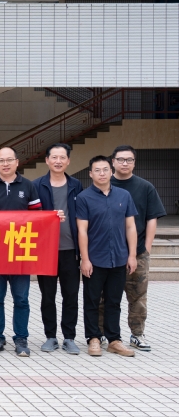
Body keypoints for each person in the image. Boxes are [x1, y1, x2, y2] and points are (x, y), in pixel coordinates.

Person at [0, 147, 49, 357]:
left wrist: (53, 218)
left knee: (21, 299)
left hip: (20, 253)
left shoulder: (28, 186)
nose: (5, 164)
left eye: (9, 160)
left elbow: (38, 217)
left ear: (17, 162)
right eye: (1, 161)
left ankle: (21, 339)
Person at [77, 155, 138, 357]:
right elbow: (82, 230)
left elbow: (130, 227)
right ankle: (93, 338)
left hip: (119, 258)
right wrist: (85, 259)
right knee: (92, 301)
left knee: (114, 301)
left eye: (105, 170)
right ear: (90, 174)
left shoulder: (124, 196)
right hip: (95, 259)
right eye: (97, 170)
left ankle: (114, 340)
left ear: (111, 171)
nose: (102, 173)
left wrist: (132, 255)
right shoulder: (84, 197)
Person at [107, 145, 166, 351]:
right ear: (113, 161)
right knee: (104, 296)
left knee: (138, 296)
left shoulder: (145, 187)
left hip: (138, 252)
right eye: (120, 159)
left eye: (129, 160)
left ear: (134, 162)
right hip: (108, 253)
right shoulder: (103, 184)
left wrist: (146, 248)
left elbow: (152, 218)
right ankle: (104, 334)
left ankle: (137, 334)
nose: (125, 163)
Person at [32, 143, 83, 355]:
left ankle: (69, 337)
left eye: (62, 157)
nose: (58, 161)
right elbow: (30, 215)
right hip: (46, 251)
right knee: (48, 296)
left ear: (68, 161)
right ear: (47, 160)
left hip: (70, 249)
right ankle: (50, 336)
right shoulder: (37, 185)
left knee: (71, 295)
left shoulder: (76, 185)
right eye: (54, 157)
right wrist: (48, 217)